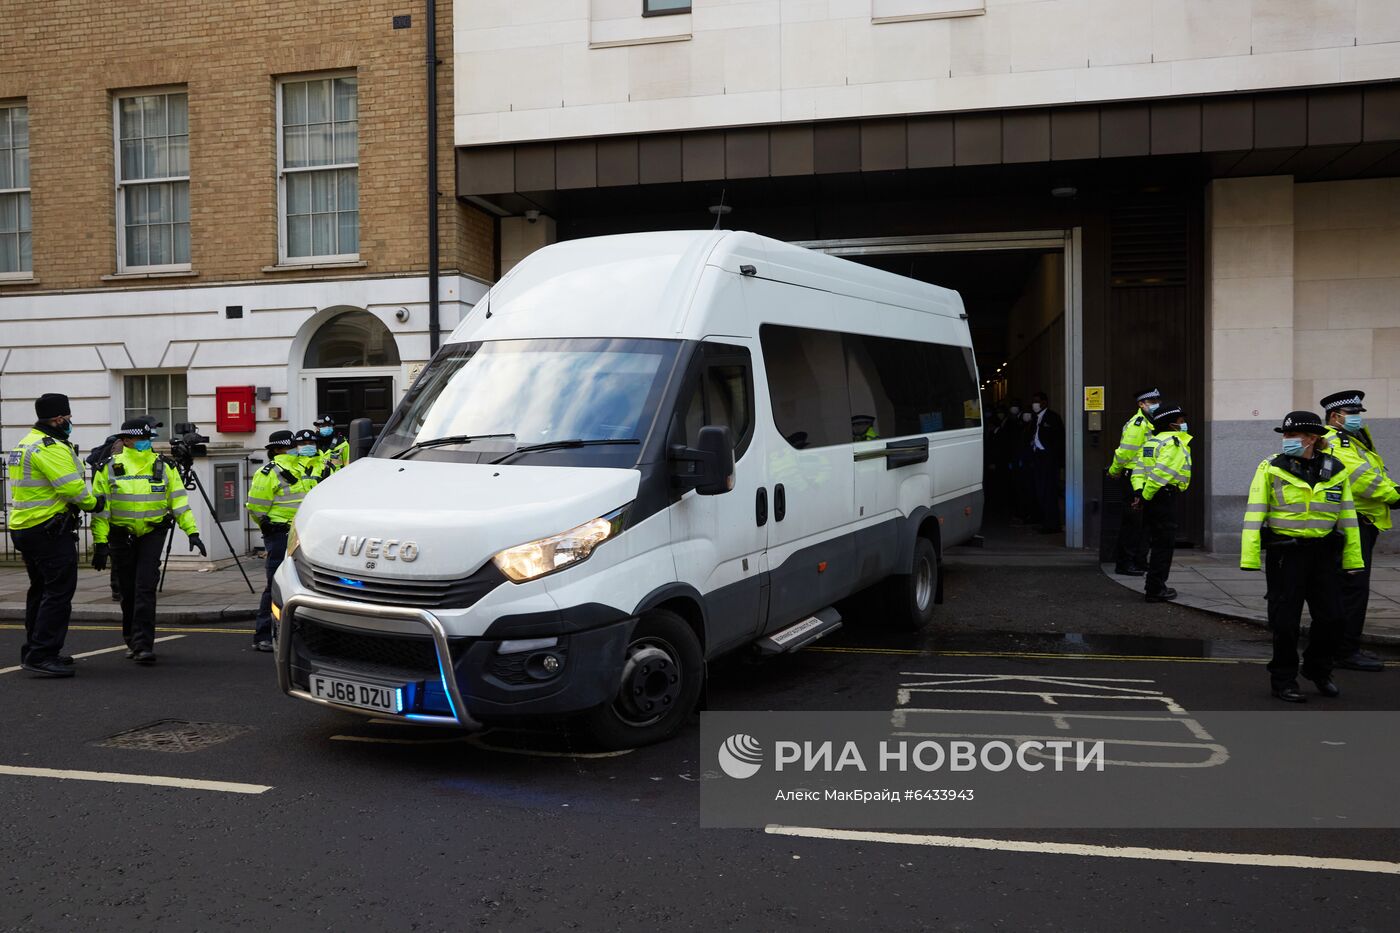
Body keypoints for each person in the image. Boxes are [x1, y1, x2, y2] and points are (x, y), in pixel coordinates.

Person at [1240, 411, 1363, 703]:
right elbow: (1255, 512)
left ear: (1312, 439)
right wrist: (1250, 555)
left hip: (1323, 554)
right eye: (1284, 435)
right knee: (1285, 622)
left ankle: (1318, 669)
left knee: (1333, 619)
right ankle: (1283, 680)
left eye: (1291, 436)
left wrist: (1354, 559)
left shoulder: (1336, 469)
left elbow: (1347, 516)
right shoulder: (1271, 467)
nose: (1286, 440)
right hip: (1286, 554)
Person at [5, 393, 104, 677]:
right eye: (69, 419)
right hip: (47, 529)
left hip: (25, 527)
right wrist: (94, 503)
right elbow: (72, 489)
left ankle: (35, 649)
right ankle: (42, 654)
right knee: (58, 592)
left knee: (41, 590)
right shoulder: (50, 447)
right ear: (59, 418)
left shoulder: (25, 443)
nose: (70, 423)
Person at [91, 419, 206, 665]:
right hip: (120, 534)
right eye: (142, 439)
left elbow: (178, 503)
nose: (147, 443)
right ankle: (131, 638)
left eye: (149, 439)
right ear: (126, 440)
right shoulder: (108, 467)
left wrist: (192, 532)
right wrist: (100, 543)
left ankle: (143, 645)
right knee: (128, 590)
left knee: (145, 588)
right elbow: (101, 511)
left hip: (152, 533)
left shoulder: (164, 467)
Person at [1320, 390, 1397, 673]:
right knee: (1352, 589)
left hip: (1361, 521)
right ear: (1335, 416)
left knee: (1348, 588)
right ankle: (1345, 651)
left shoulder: (1352, 438)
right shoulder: (1333, 442)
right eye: (1352, 414)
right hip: (1352, 524)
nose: (1357, 418)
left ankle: (1345, 645)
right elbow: (1359, 477)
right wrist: (1393, 495)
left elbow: (1373, 470)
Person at [246, 430, 319, 652]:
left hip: (300, 534)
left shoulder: (302, 468)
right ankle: (263, 634)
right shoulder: (268, 472)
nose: (300, 448)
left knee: (303, 583)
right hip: (279, 535)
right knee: (274, 584)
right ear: (279, 449)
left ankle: (294, 633)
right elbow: (256, 506)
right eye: (294, 445)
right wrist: (267, 528)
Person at [1130, 404, 1192, 603]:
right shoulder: (1174, 443)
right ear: (1171, 424)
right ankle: (1156, 589)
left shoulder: (1151, 443)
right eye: (1181, 422)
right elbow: (1161, 474)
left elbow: (1138, 471)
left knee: (1154, 541)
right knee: (1163, 545)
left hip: (1152, 497)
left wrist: (1140, 493)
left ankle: (1153, 585)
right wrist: (1146, 495)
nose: (1183, 425)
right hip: (1163, 497)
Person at [1108, 387, 1161, 576]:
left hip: (1145, 477)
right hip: (1133, 477)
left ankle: (1139, 560)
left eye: (1157, 401)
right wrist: (1115, 470)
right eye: (1152, 402)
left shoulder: (1151, 422)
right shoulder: (1138, 424)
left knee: (1144, 523)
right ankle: (1124, 563)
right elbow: (1125, 452)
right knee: (1132, 522)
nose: (1156, 405)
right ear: (1141, 404)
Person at [1028, 391, 1064, 534]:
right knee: (1040, 491)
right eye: (1033, 401)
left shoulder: (1053, 418)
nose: (1035, 404)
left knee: (1049, 492)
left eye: (1037, 401)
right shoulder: (1034, 418)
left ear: (1044, 402)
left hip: (1049, 459)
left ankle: (1052, 524)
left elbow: (1059, 440)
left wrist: (1057, 460)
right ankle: (1044, 520)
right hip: (1038, 458)